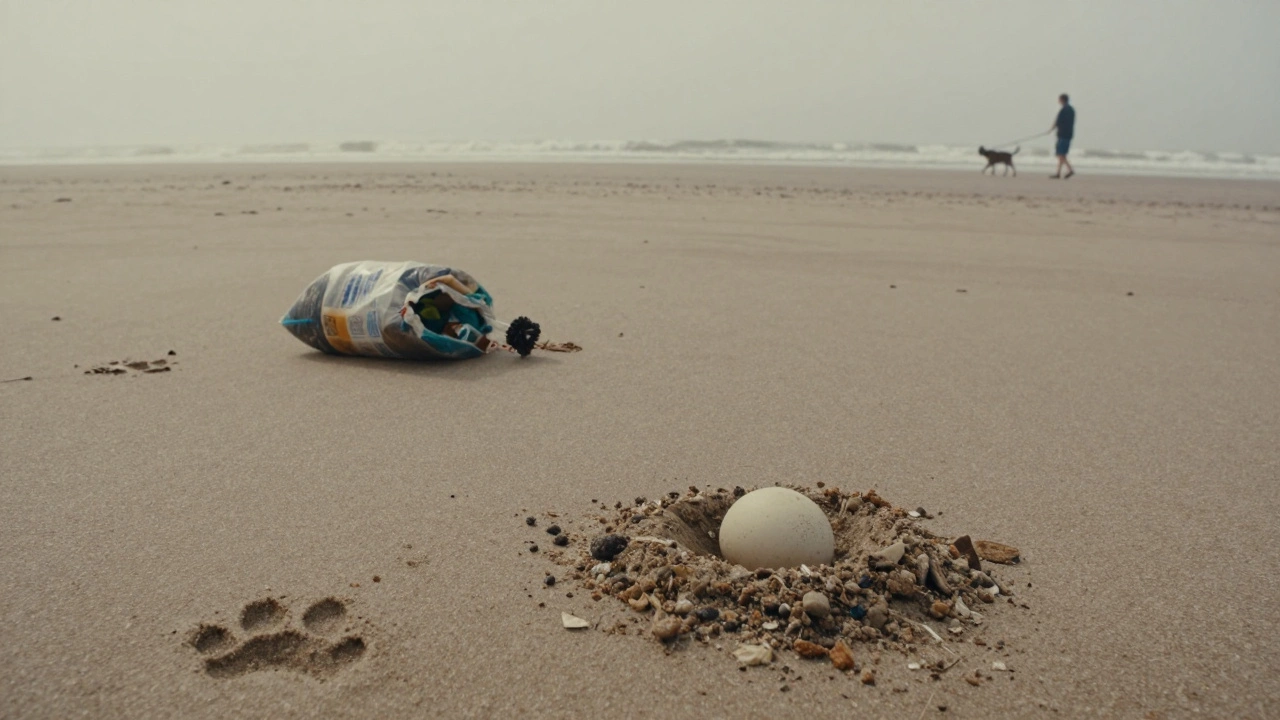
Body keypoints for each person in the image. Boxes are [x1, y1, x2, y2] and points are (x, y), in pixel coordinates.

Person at [1049, 94, 1075, 179]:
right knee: (1062, 154)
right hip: (1069, 134)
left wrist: (1051, 128)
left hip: (1062, 135)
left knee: (1061, 154)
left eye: (1059, 99)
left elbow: (1058, 121)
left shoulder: (1064, 110)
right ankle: (1058, 173)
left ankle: (1070, 169)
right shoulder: (1071, 110)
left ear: (1062, 100)